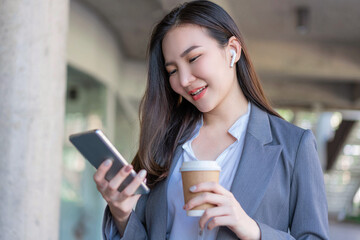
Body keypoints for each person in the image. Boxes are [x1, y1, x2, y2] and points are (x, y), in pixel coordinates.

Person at [94, 1, 329, 239]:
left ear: (233, 51)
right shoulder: (165, 141)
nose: (184, 80)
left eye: (194, 58)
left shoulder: (294, 145)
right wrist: (122, 214)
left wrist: (254, 230)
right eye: (172, 71)